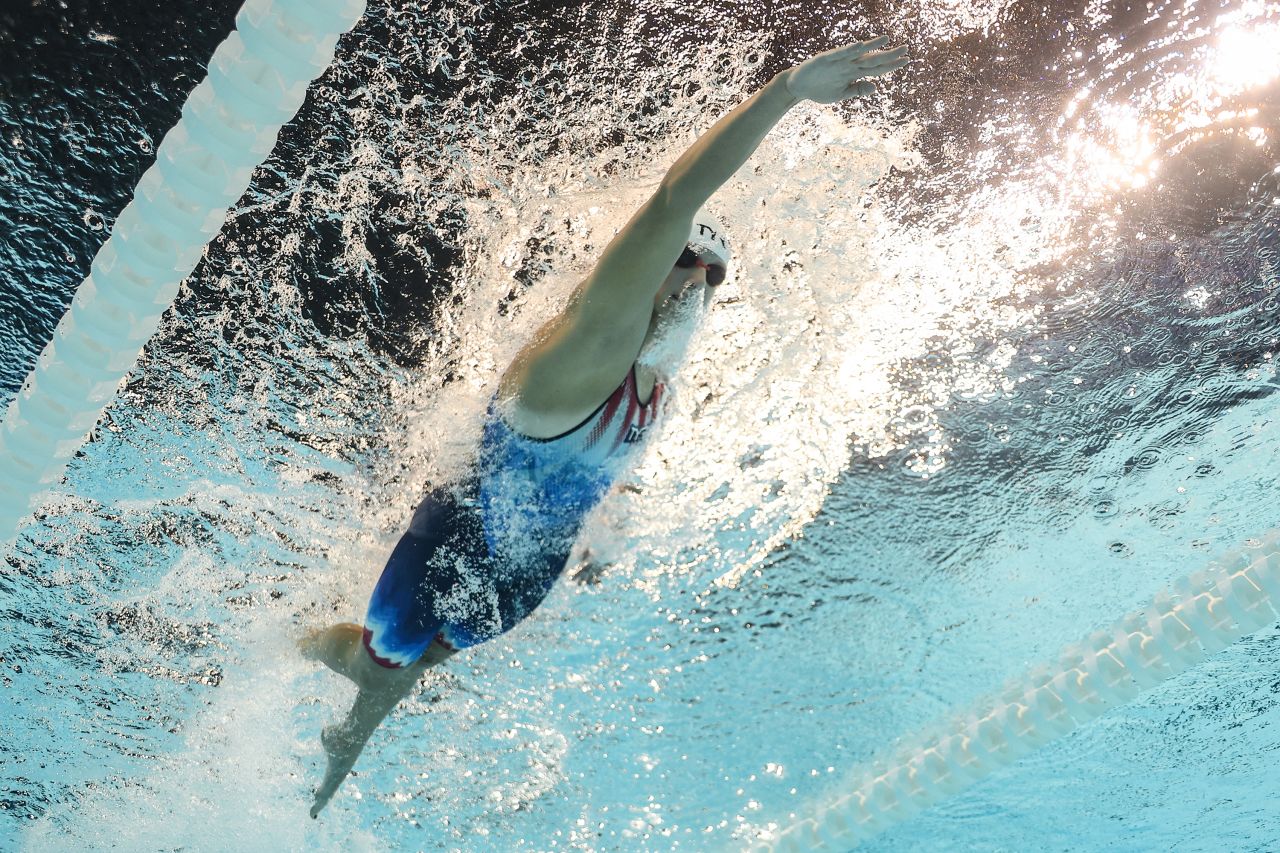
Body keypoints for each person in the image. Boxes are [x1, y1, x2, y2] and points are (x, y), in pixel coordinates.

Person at [299, 35, 908, 817]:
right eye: (685, 265)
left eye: (711, 277)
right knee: (384, 666)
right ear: (645, 271)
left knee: (405, 672)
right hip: (453, 547)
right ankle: (295, 658)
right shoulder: (584, 352)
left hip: (522, 584)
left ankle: (353, 698)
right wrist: (786, 92)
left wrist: (603, 534)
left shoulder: (654, 381)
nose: (698, 285)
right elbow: (672, 202)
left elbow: (602, 472)